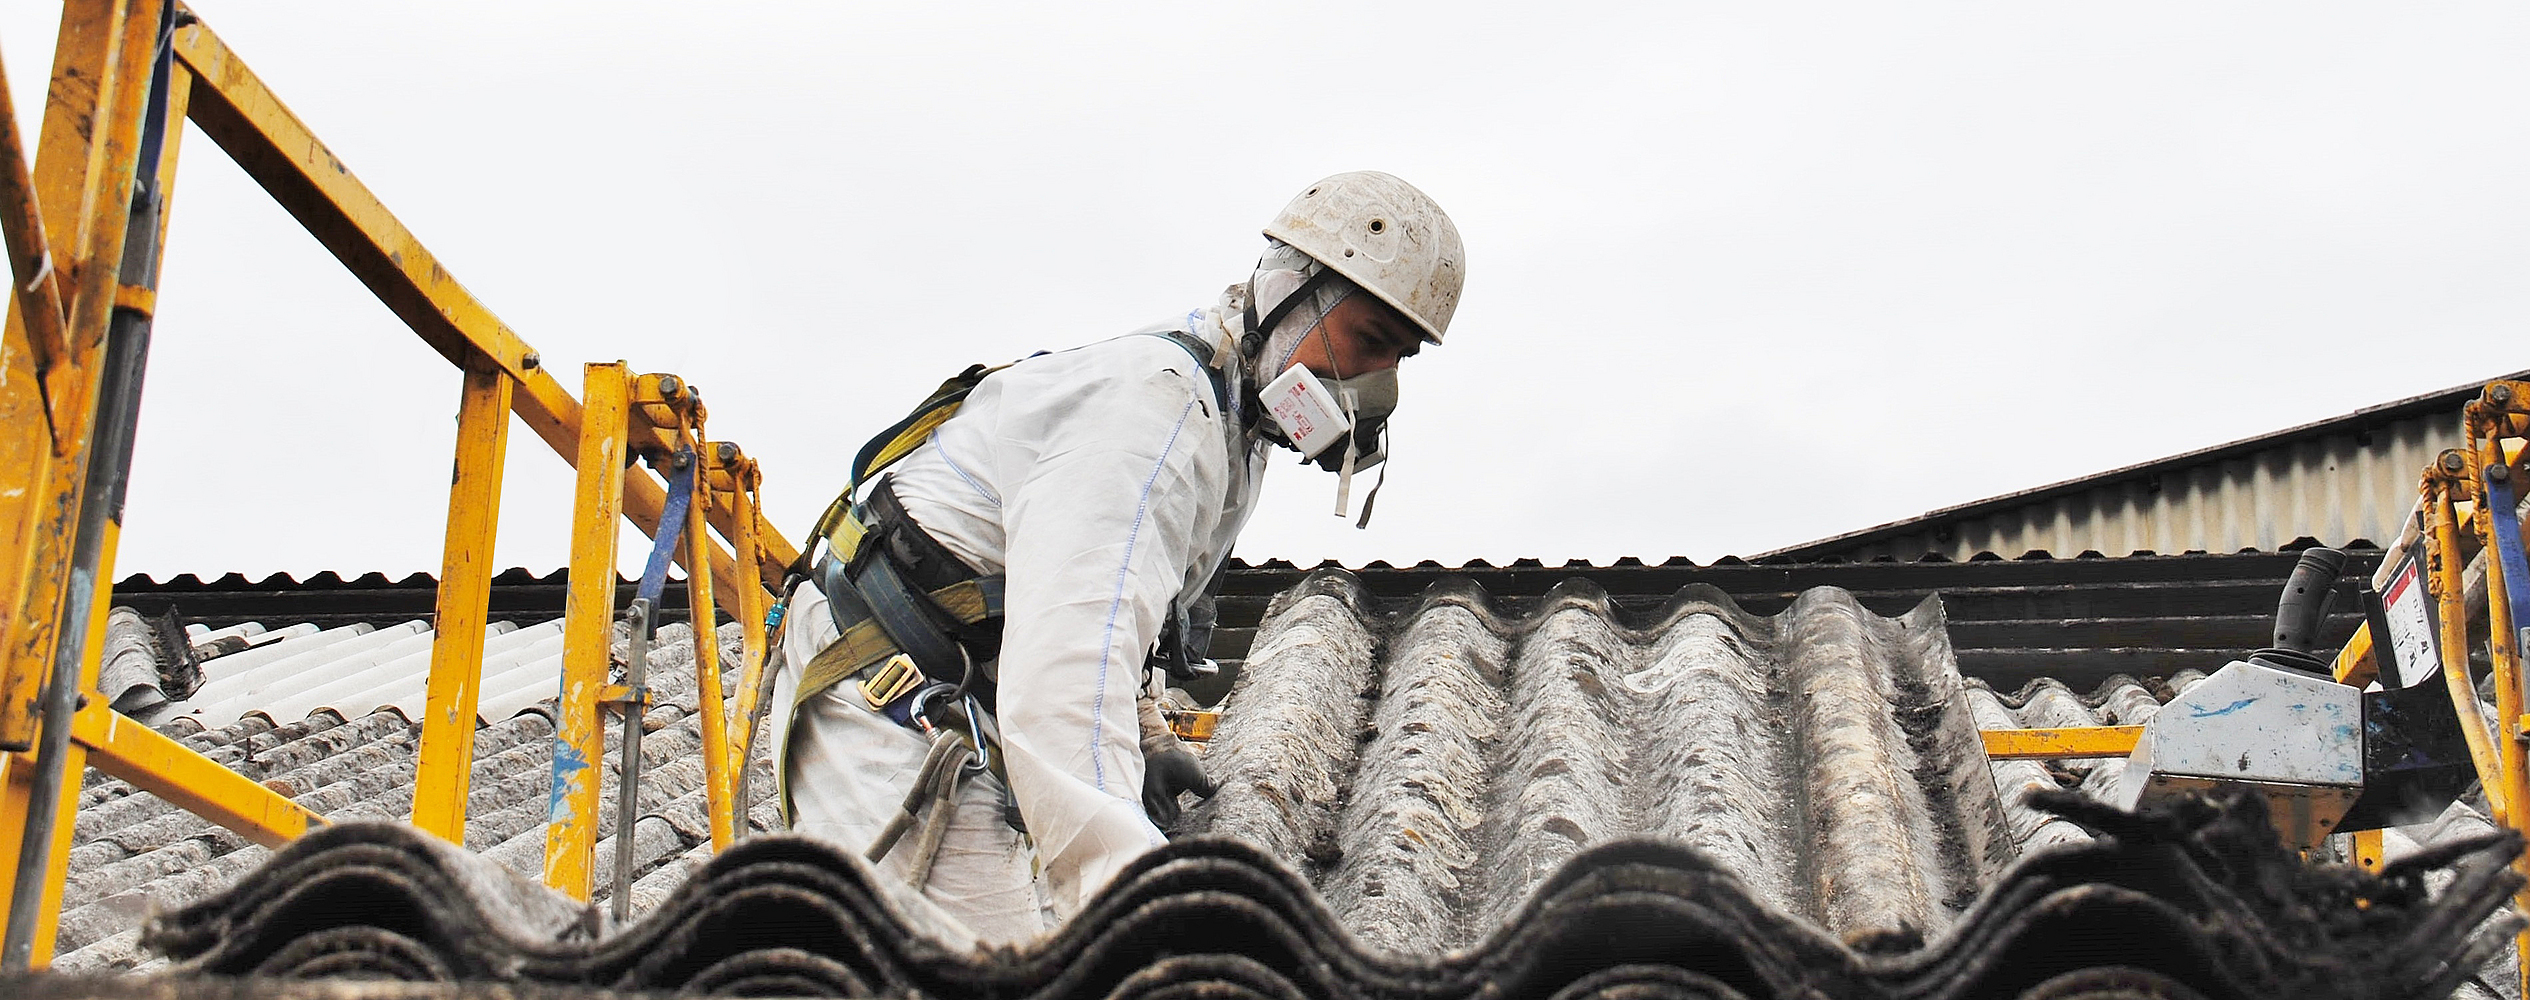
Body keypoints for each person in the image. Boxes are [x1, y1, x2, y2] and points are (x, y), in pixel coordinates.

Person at [765, 171, 1465, 942]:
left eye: (1399, 357)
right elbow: (1070, 662)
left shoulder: (1232, 425)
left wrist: (1150, 736)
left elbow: (1121, 603)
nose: (1376, 383)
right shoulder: (1154, 410)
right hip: (881, 689)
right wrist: (1139, 916)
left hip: (954, 682)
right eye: (1369, 341)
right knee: (991, 960)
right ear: (1289, 290)